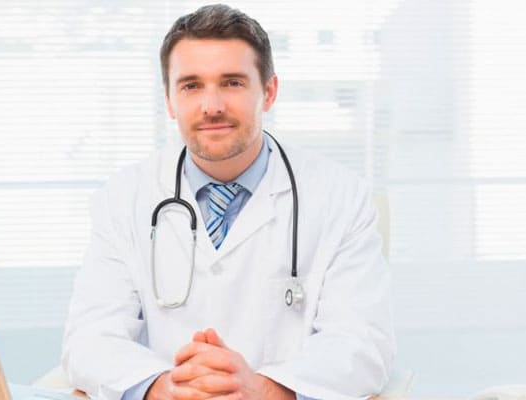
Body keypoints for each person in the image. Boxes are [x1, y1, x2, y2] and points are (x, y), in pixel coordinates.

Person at [62, 4, 395, 400]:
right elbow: (90, 338)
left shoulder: (341, 197)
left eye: (232, 83)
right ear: (169, 100)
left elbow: (363, 343)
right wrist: (165, 387)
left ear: (268, 91)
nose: (212, 106)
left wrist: (262, 389)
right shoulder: (123, 198)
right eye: (191, 86)